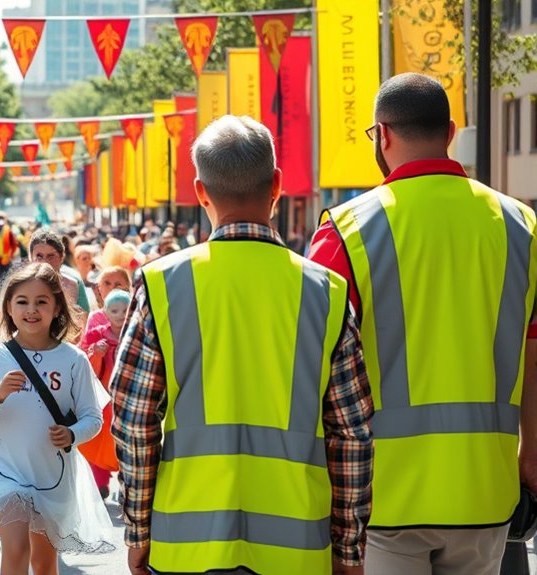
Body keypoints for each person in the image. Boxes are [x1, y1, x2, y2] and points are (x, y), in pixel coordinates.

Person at [111, 116, 373, 575]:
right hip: (297, 548)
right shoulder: (326, 292)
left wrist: (138, 530)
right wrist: (348, 548)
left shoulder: (159, 284)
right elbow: (350, 433)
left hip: (185, 546)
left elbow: (134, 422)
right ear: (276, 184)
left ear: (200, 191)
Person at [309, 73, 536, 575]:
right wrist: (530, 458)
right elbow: (533, 351)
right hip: (485, 491)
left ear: (382, 135)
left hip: (383, 495)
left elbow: (318, 368)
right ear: (451, 131)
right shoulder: (521, 225)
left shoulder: (345, 230)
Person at [0, 262, 114, 573]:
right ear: (8, 307)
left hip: (54, 475)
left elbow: (93, 417)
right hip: (3, 470)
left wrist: (73, 434)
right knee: (16, 549)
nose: (31, 310)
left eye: (41, 301)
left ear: (57, 307)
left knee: (45, 562)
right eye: (22, 301)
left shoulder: (73, 358)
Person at [80, 288, 130, 499]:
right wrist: (95, 352)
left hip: (127, 399)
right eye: (114, 310)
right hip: (102, 398)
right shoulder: (95, 334)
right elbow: (82, 365)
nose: (119, 315)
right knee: (97, 439)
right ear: (105, 312)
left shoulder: (136, 335)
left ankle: (126, 484)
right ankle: (99, 483)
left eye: (124, 310)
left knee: (126, 441)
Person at [29, 228, 89, 329]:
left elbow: (82, 323)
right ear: (31, 258)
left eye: (50, 256)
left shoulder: (73, 284)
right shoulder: (20, 285)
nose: (45, 262)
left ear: (61, 257)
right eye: (39, 256)